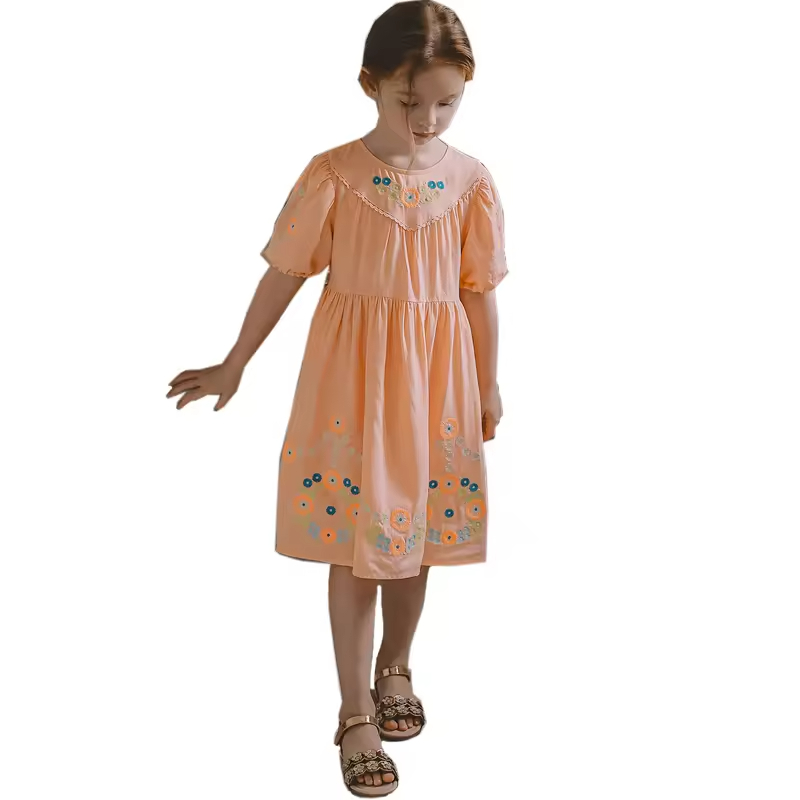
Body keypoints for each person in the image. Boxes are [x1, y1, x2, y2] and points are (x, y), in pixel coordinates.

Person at [166, 1, 507, 794]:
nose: (427, 119)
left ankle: (397, 665)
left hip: (435, 382)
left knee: (416, 535)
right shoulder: (335, 175)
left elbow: (478, 290)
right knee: (360, 543)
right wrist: (235, 361)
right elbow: (285, 272)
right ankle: (355, 710)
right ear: (369, 84)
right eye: (410, 100)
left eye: (447, 102)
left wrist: (488, 380)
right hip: (353, 383)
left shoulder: (472, 182)